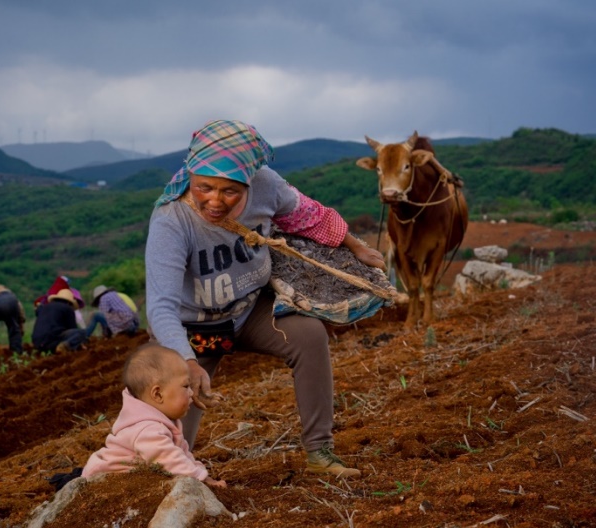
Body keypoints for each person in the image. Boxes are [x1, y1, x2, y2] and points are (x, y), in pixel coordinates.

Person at [145, 119, 386, 478]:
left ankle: (320, 453)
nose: (214, 200)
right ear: (190, 176)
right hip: (190, 328)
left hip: (249, 309)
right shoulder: (172, 220)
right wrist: (186, 361)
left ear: (248, 182)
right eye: (204, 187)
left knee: (308, 336)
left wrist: (356, 247)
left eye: (230, 192)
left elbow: (309, 216)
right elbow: (161, 306)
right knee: (173, 431)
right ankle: (171, 474)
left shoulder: (266, 185)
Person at [81, 343, 226, 488]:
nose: (191, 393)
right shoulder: (148, 430)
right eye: (186, 386)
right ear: (157, 394)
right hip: (102, 481)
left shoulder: (164, 421)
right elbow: (171, 460)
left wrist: (202, 473)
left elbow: (183, 455)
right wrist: (201, 479)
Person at [31, 288, 87, 353]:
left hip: (37, 343)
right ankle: (65, 346)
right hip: (52, 341)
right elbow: (72, 329)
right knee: (82, 333)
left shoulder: (44, 307)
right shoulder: (68, 308)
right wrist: (79, 342)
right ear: (69, 302)